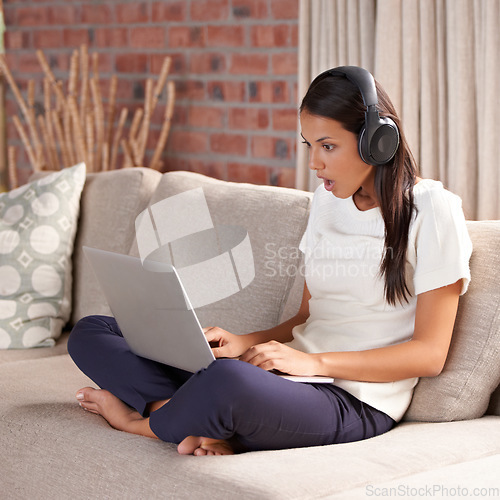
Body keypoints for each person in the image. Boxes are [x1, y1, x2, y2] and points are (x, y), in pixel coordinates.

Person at [68, 66, 472, 456]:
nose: (314, 163)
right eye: (309, 146)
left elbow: (429, 354)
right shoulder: (327, 203)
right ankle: (192, 415)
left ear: (377, 141)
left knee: (227, 381)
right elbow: (304, 318)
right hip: (286, 377)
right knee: (94, 331)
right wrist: (247, 341)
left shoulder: (433, 211)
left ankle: (141, 422)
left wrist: (311, 362)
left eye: (328, 146)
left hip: (354, 398)